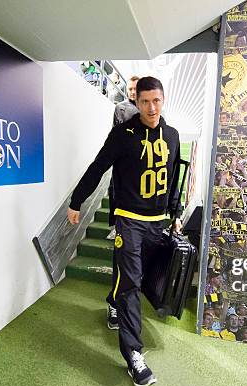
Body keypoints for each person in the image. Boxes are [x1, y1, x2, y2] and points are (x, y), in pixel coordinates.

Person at [67, 76, 182, 386]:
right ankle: (133, 354)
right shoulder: (122, 134)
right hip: (128, 220)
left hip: (157, 222)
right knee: (130, 283)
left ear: (163, 99)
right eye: (145, 101)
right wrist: (77, 201)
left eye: (156, 100)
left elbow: (172, 178)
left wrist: (176, 213)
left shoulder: (172, 135)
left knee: (136, 278)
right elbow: (97, 167)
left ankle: (113, 301)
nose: (151, 107)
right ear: (136, 101)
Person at [105, 76, 141, 330]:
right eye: (129, 90)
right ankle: (114, 304)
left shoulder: (159, 122)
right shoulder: (121, 111)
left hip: (145, 206)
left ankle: (127, 306)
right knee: (121, 257)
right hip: (123, 200)